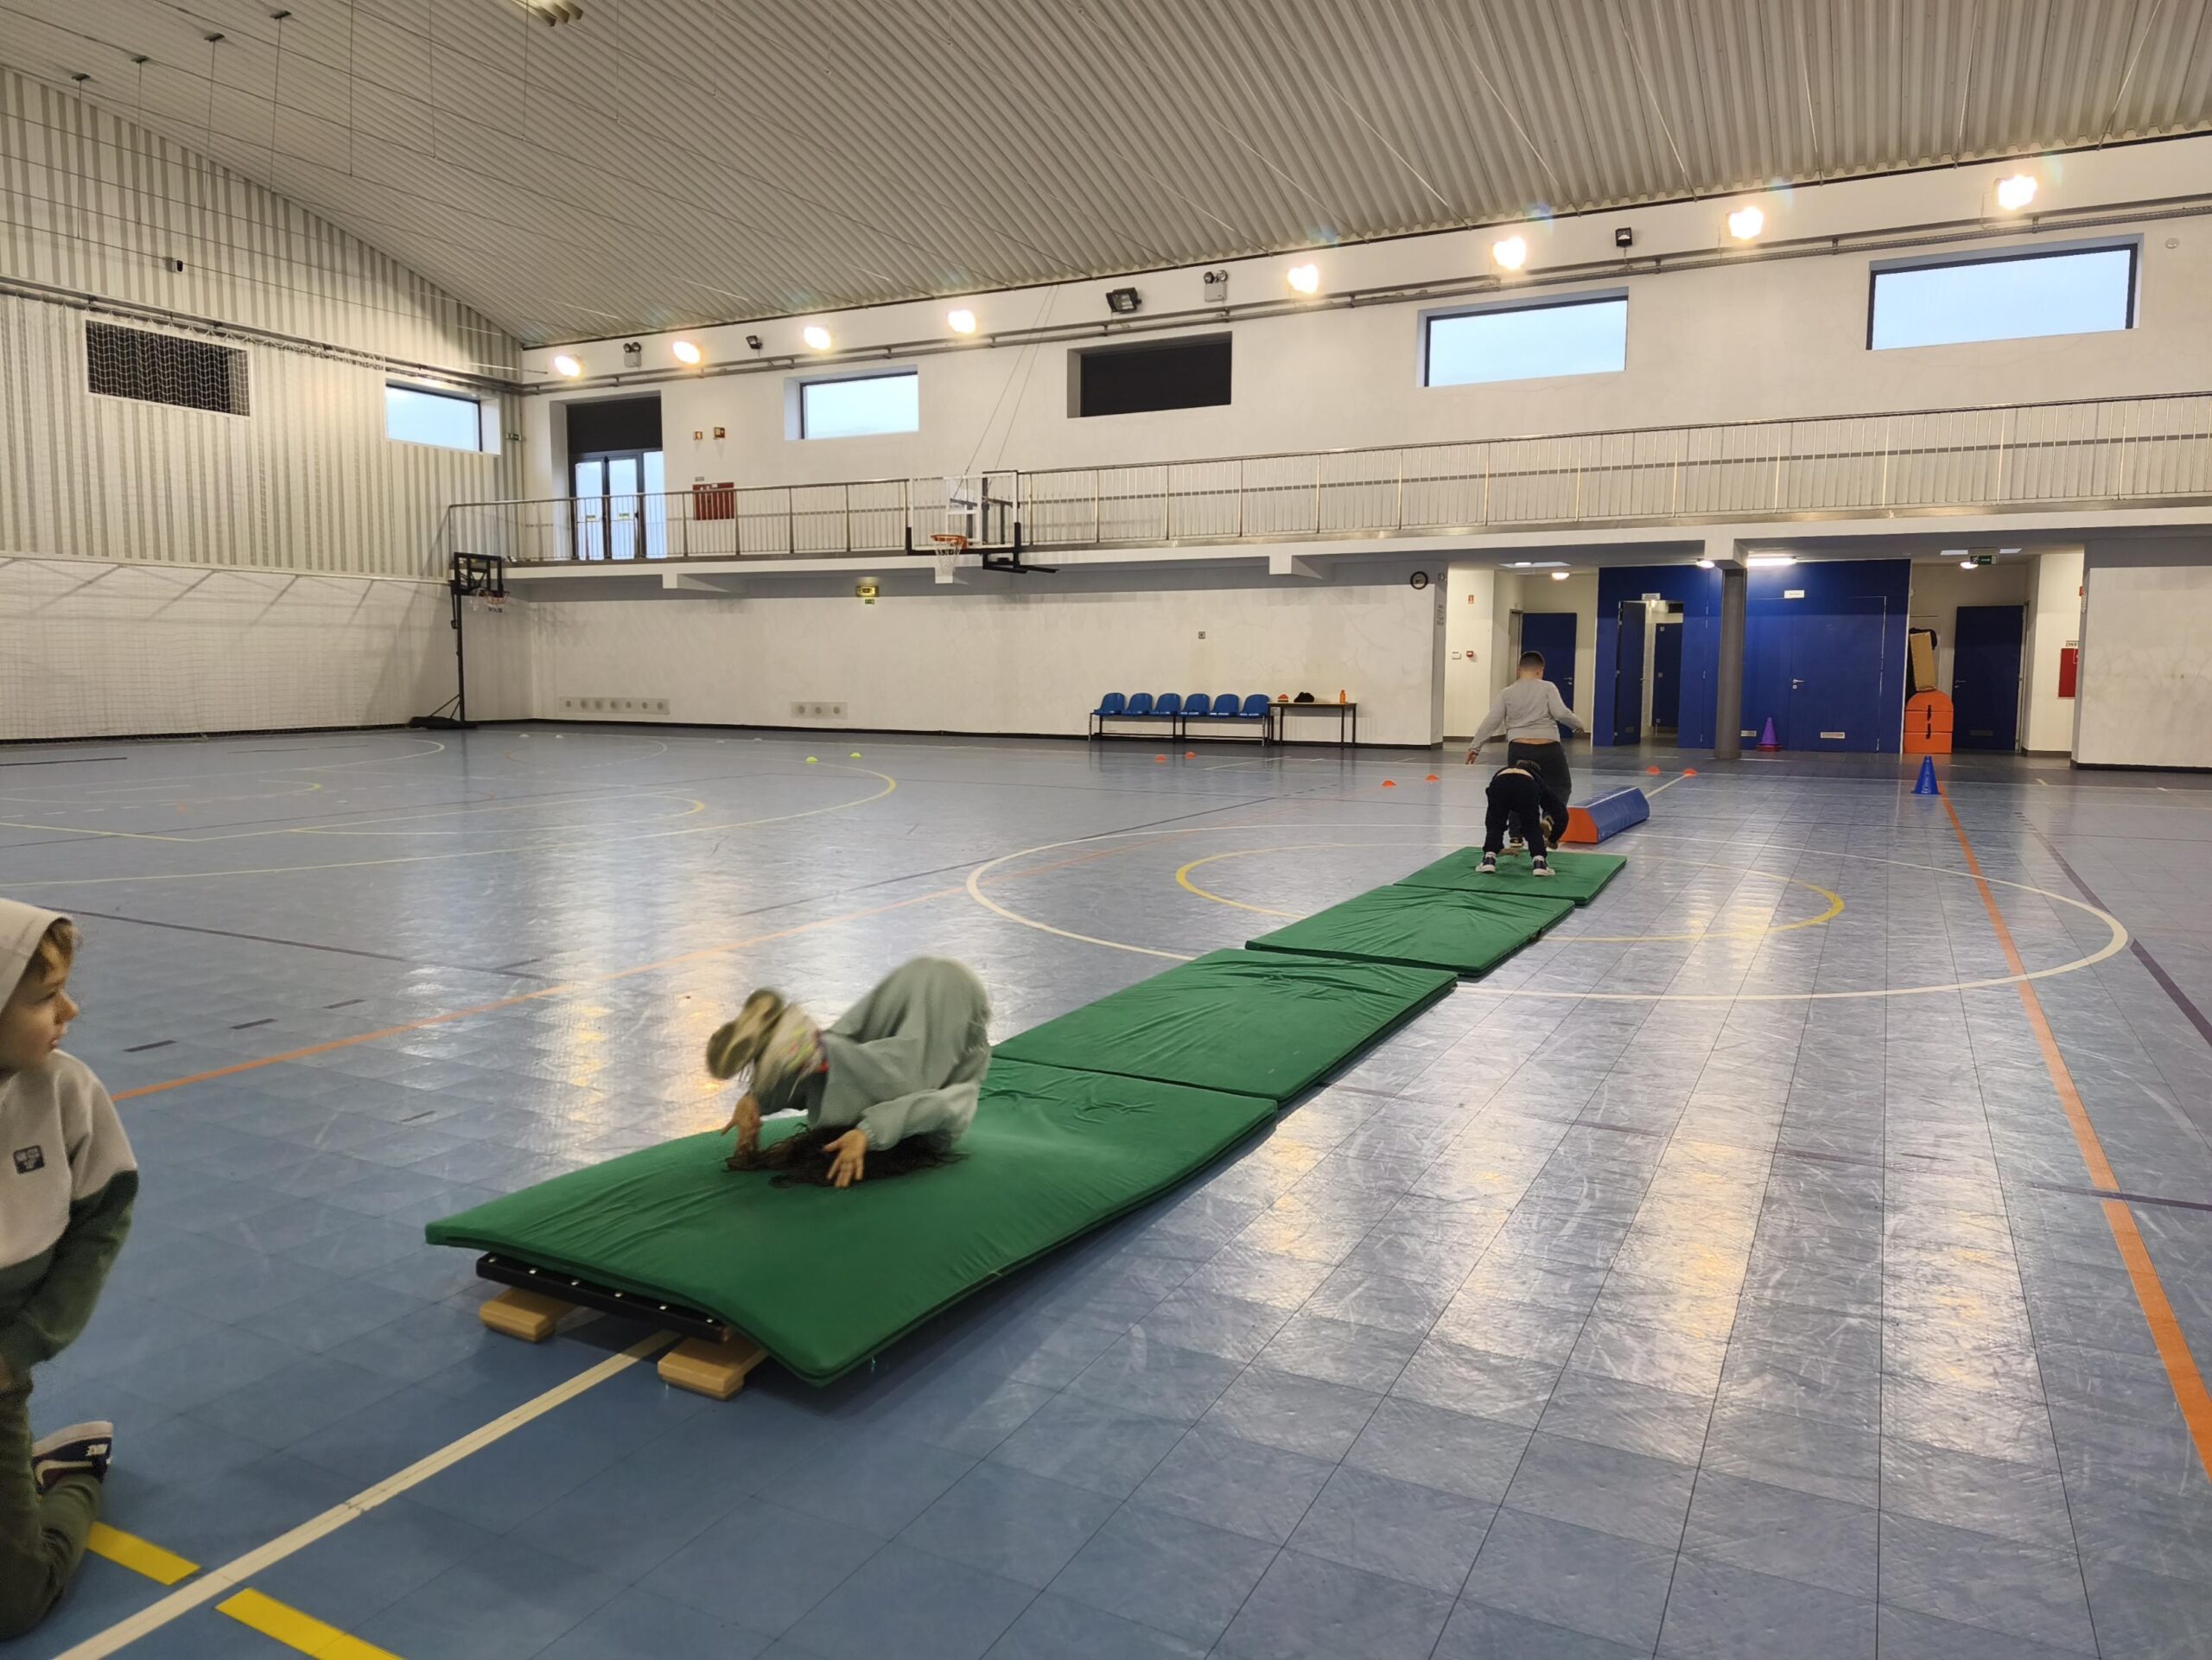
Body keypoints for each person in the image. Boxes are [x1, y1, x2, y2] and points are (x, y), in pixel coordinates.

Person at [0, 901, 137, 1640]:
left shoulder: (63, 1091)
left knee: (12, 1602)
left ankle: (72, 1472)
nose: (70, 1010)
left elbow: (101, 1225)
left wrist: (17, 1350)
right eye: (46, 996)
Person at [706, 957, 989, 1189]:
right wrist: (867, 1134)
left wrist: (757, 1100)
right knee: (874, 1068)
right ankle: (799, 1048)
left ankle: (798, 1049)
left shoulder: (861, 1091)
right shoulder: (931, 1133)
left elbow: (946, 1105)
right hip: (947, 998)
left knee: (854, 1060)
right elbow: (946, 1106)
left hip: (924, 987)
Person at [1465, 650, 1587, 847]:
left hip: (1519, 747)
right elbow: (1560, 713)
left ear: (1518, 670)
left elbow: (1492, 720)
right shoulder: (1548, 687)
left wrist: (1475, 747)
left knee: (1517, 787)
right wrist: (1578, 724)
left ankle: (1516, 836)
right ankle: (1549, 818)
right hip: (1548, 747)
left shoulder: (1507, 693)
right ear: (1541, 671)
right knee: (1561, 786)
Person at [1479, 760, 1567, 878]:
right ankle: (1540, 864)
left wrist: (1498, 846)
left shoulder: (1503, 771)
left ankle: (1489, 860)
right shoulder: (1535, 778)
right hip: (1526, 787)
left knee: (1495, 823)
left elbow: (1490, 820)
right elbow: (1561, 813)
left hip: (1499, 784)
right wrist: (1553, 839)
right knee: (1532, 826)